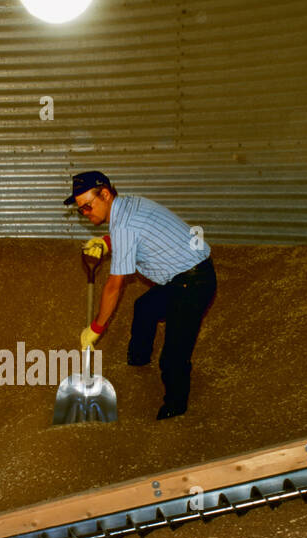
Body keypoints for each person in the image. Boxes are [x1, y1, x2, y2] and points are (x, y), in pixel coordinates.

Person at [64, 171, 217, 420]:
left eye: (88, 206)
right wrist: (106, 241)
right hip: (185, 272)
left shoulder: (124, 224)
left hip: (194, 282)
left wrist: (96, 327)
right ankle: (138, 359)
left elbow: (114, 286)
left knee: (172, 359)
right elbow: (137, 231)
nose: (86, 213)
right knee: (145, 306)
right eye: (81, 210)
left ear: (104, 194)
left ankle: (176, 409)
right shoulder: (128, 205)